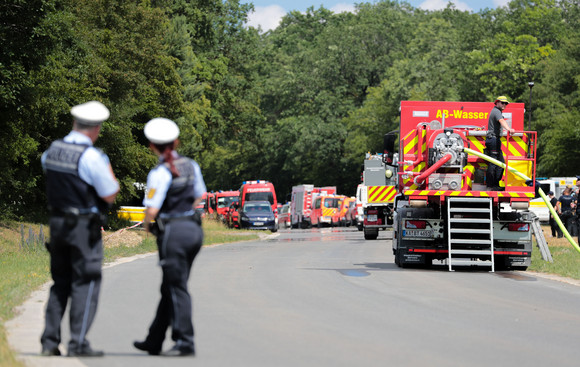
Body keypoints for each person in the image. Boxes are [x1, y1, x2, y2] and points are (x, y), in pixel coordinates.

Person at [40, 101, 119, 357]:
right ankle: (77, 343)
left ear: (74, 123)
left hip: (58, 224)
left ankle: (49, 342)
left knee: (60, 282)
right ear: (96, 129)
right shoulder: (91, 156)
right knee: (86, 282)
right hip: (83, 227)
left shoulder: (52, 150)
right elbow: (109, 194)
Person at [134, 118, 206, 357]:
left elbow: (152, 209)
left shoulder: (159, 172)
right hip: (193, 229)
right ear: (176, 142)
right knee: (170, 286)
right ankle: (154, 340)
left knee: (177, 287)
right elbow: (200, 195)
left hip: (173, 232)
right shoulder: (191, 165)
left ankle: (185, 340)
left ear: (151, 145)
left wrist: (147, 226)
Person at [485, 96, 515, 191]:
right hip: (493, 139)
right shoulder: (496, 111)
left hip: (495, 139)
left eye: (506, 103)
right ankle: (491, 185)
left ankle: (495, 184)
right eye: (503, 103)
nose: (504, 105)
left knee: (500, 163)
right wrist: (509, 129)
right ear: (497, 102)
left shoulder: (497, 111)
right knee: (494, 163)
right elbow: (501, 121)